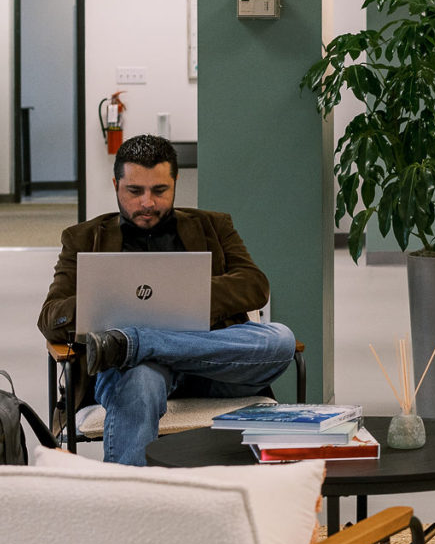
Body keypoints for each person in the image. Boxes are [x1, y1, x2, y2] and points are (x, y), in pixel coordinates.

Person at [37, 135, 296, 464]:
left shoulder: (213, 226)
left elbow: (255, 286)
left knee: (281, 340)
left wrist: (187, 292)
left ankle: (135, 342)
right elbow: (51, 317)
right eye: (134, 191)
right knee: (140, 379)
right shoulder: (84, 238)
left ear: (175, 182)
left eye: (159, 190)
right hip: (140, 369)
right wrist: (104, 298)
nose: (147, 203)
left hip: (213, 365)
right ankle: (132, 504)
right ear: (115, 184)